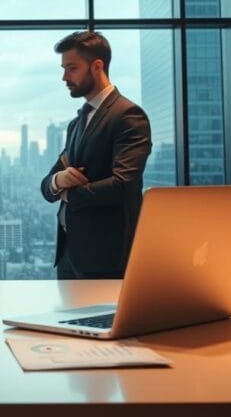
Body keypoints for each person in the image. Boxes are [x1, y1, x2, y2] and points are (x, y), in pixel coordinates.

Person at [40, 31, 152, 279]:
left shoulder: (128, 116)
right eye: (63, 68)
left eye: (72, 68)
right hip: (69, 256)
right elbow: (47, 185)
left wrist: (69, 194)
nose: (64, 77)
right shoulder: (76, 123)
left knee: (105, 319)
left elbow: (123, 185)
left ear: (96, 66)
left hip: (107, 258)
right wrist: (60, 180)